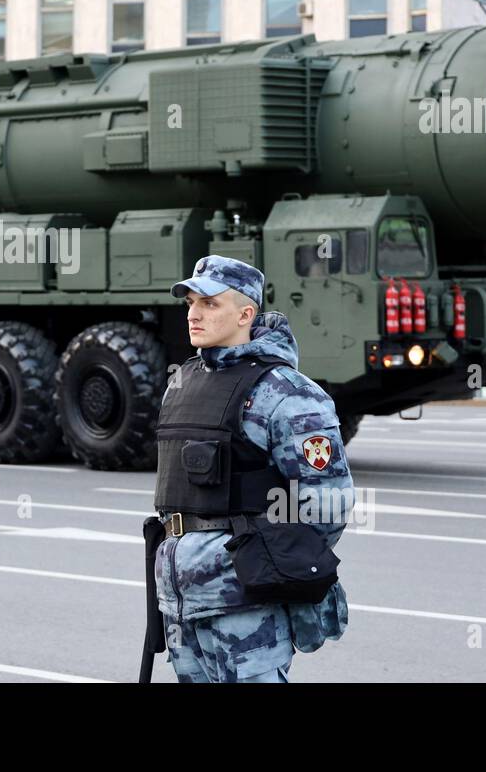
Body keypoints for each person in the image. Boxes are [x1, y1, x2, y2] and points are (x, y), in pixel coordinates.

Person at [146, 255, 353, 683]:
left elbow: (327, 503)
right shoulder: (182, 382)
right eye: (189, 303)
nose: (194, 314)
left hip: (245, 599)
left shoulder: (285, 392)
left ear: (246, 313)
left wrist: (269, 565)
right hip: (182, 602)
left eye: (209, 303)